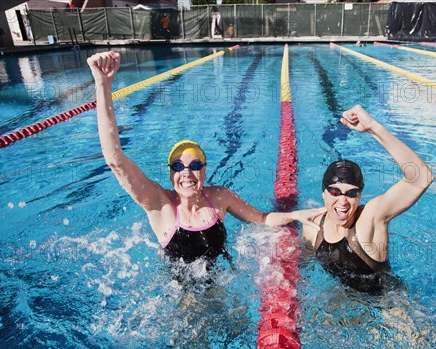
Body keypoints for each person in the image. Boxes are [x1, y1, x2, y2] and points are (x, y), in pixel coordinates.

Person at [86, 51, 320, 266]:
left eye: (194, 165)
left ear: (204, 172)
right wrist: (103, 85)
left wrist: (296, 215)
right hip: (180, 299)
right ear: (171, 173)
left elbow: (261, 218)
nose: (186, 172)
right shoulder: (161, 205)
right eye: (178, 166)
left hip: (220, 289)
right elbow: (114, 159)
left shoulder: (219, 197)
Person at [300, 104, 435, 292]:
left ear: (360, 194)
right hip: (348, 302)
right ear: (323, 193)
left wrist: (373, 128)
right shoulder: (312, 227)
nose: (343, 201)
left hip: (390, 305)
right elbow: (301, 268)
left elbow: (421, 178)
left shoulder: (369, 219)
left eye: (352, 193)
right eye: (335, 192)